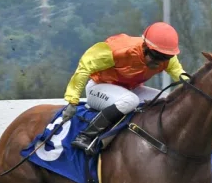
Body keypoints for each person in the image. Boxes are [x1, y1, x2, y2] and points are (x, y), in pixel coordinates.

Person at [61, 22, 185, 156]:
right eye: (156, 57)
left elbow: (182, 77)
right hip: (98, 88)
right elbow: (84, 66)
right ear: (145, 47)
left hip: (128, 90)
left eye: (166, 58)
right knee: (131, 100)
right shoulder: (119, 50)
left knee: (165, 99)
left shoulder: (167, 58)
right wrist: (72, 101)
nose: (160, 62)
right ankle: (85, 136)